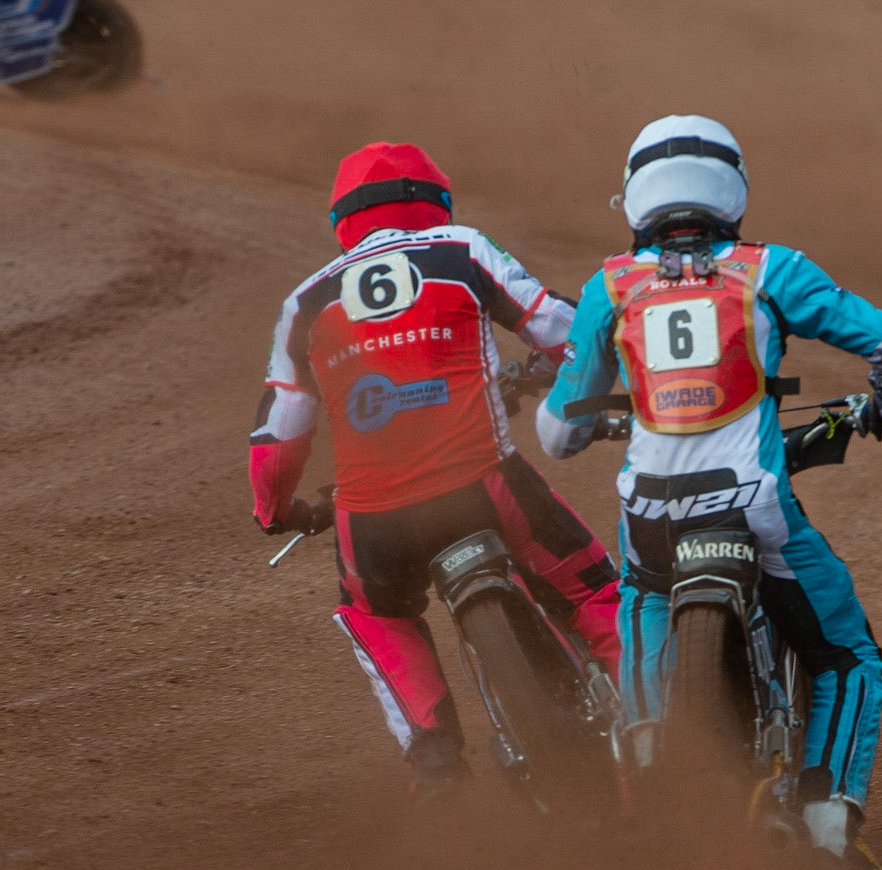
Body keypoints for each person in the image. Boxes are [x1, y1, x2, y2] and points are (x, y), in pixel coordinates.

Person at [535, 115, 882, 870]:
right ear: (734, 186)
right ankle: (823, 829)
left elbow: (557, 435)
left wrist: (589, 417)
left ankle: (652, 757)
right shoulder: (770, 269)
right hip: (753, 506)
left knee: (642, 600)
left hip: (647, 517)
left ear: (636, 194)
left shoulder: (609, 284)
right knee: (846, 655)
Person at [249, 142, 622, 790]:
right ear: (434, 203)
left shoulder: (303, 303)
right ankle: (657, 721)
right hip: (482, 485)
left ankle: (434, 750)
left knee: (378, 613)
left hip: (370, 520)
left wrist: (276, 510)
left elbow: (279, 430)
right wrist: (576, 381)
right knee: (594, 591)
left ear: (343, 219)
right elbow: (560, 327)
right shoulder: (461, 249)